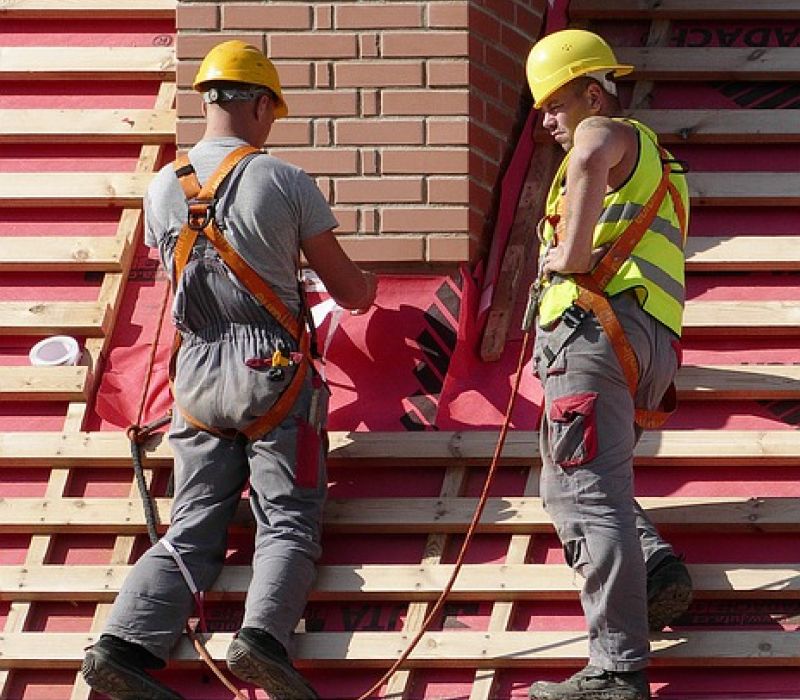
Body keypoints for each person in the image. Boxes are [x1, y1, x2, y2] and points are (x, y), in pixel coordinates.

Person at [81, 40, 377, 700]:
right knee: (289, 519)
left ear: (211, 99)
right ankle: (263, 640)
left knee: (191, 526)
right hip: (269, 371)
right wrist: (367, 289)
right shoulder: (281, 180)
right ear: (261, 104)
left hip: (195, 380)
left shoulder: (164, 188)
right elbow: (347, 290)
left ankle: (122, 645)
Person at [524, 30, 693, 700]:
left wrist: (567, 254)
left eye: (556, 105)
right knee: (571, 489)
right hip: (637, 338)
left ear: (592, 93)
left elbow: (592, 145)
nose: (548, 121)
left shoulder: (608, 134)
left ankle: (617, 669)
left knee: (585, 495)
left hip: (594, 335)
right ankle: (650, 569)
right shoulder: (659, 164)